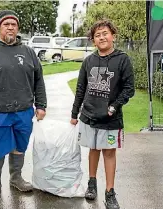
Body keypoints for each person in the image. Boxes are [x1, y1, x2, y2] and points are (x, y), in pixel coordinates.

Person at [0, 10, 47, 201]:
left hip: (23, 112)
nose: (10, 27)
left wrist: (41, 105)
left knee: (20, 147)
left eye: (13, 24)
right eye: (6, 24)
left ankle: (16, 178)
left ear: (17, 27)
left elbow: (39, 80)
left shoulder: (28, 52)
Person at [70, 19, 134, 209]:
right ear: (93, 41)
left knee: (109, 152)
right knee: (93, 149)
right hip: (89, 116)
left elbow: (129, 89)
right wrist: (74, 114)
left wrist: (113, 107)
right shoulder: (89, 61)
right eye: (97, 35)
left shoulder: (122, 59)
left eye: (105, 33)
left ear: (113, 36)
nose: (101, 37)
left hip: (111, 119)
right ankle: (91, 184)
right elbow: (81, 88)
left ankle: (110, 192)